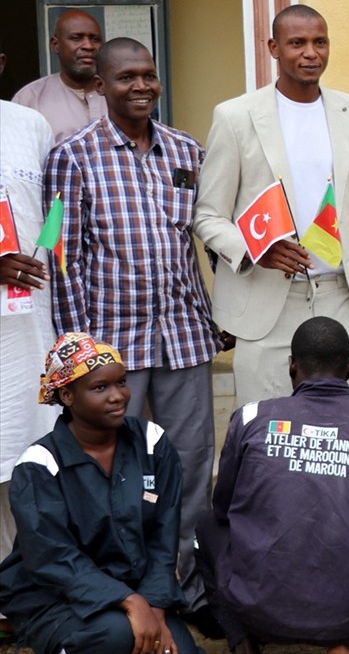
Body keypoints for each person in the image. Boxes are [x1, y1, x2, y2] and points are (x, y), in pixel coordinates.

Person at [44, 37, 221, 624]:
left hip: (184, 336)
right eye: (126, 77)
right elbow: (62, 258)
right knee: (117, 470)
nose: (140, 85)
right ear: (101, 86)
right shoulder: (73, 157)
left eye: (148, 74)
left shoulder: (186, 150)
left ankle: (188, 590)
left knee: (191, 464)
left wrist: (223, 314)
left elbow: (205, 239)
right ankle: (125, 594)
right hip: (112, 350)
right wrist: (80, 355)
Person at [194, 4, 349, 404]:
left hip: (343, 298)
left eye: (320, 42)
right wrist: (256, 250)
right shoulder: (236, 116)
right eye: (297, 43)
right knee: (268, 426)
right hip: (267, 303)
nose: (311, 53)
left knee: (343, 424)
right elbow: (208, 215)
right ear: (274, 48)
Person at [196, 317, 349, 654]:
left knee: (206, 525)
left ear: (292, 365)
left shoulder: (252, 417)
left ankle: (242, 641)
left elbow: (224, 507)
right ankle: (341, 641)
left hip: (260, 607)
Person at [0, 333, 197, 654]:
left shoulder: (153, 444)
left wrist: (154, 606)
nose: (118, 396)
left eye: (121, 382)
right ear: (67, 395)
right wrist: (129, 602)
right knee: (117, 635)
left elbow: (164, 539)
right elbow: (53, 558)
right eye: (100, 387)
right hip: (58, 598)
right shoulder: (40, 465)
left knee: (174, 650)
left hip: (139, 590)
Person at [0, 50, 60, 641]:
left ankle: (24, 594)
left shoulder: (29, 124)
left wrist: (48, 254)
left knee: (27, 454)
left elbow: (53, 210)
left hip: (30, 322)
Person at [13, 9, 106, 142]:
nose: (89, 46)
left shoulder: (120, 93)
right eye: (77, 38)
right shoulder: (30, 98)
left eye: (95, 39)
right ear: (55, 45)